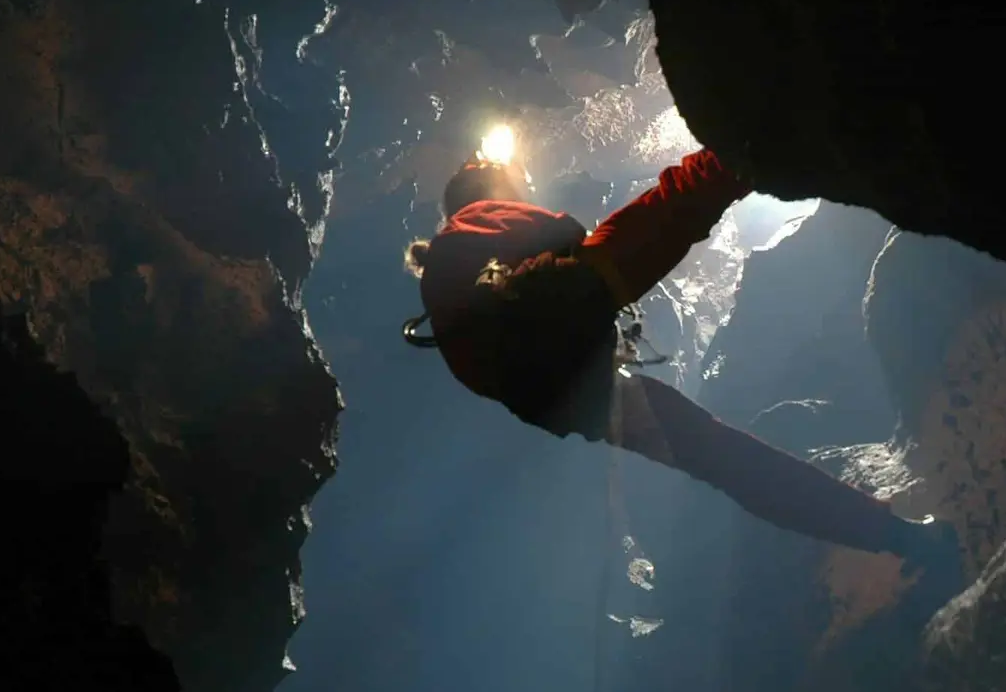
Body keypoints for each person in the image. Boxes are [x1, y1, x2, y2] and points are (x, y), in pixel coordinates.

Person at [402, 146, 959, 570]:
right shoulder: (471, 217)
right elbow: (559, 230)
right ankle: (748, 146)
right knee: (681, 200)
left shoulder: (445, 281)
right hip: (553, 311)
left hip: (552, 396)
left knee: (714, 453)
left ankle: (900, 539)